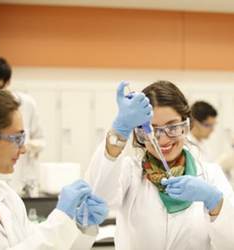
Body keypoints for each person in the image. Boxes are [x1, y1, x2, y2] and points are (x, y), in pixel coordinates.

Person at [86, 81, 234, 250]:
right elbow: (97, 198)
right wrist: (119, 130)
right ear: (140, 132)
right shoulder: (130, 172)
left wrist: (215, 203)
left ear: (185, 126)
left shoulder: (210, 175)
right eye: (152, 129)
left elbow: (230, 244)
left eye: (172, 127)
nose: (162, 139)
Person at [0, 87, 108, 249]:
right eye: (17, 138)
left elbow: (43, 245)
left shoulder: (6, 196)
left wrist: (82, 226)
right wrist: (60, 217)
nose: (23, 149)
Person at [0, 57, 45, 194]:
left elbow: (41, 140)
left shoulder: (25, 104)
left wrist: (22, 144)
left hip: (16, 181)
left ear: (8, 82)